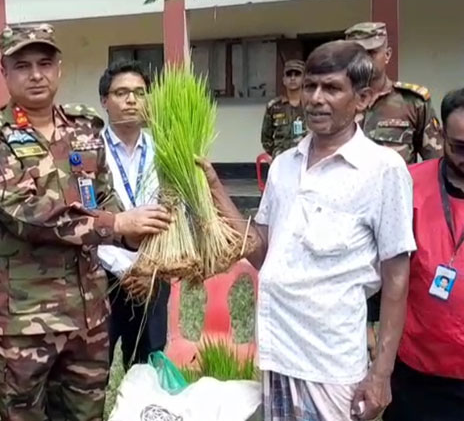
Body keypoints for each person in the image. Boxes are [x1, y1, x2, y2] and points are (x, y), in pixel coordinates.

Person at [198, 41, 415, 420]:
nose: (315, 98)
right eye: (311, 86)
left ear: (362, 99)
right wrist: (216, 188)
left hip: (330, 363)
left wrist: (381, 373)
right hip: (277, 351)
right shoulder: (284, 164)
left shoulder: (383, 170)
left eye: (331, 88)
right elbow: (261, 250)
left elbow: (396, 278)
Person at [0, 24, 171, 421]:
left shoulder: (85, 127)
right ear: (4, 72)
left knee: (86, 414)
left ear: (59, 68)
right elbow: (25, 213)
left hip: (89, 313)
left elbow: (104, 193)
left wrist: (140, 237)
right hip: (25, 319)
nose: (36, 74)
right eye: (22, 65)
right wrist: (118, 224)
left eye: (45, 63)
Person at [346, 22, 443, 353]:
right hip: (349, 222)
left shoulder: (411, 103)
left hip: (400, 223)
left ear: (386, 55)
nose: (365, 61)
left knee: (399, 298)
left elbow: (436, 165)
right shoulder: (340, 102)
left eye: (371, 54)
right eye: (356, 54)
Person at [382, 88, 464, 421]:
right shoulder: (409, 185)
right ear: (441, 135)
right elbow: (384, 269)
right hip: (419, 370)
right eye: (459, 147)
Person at [95, 60, 169, 370]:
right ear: (104, 101)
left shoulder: (167, 152)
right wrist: (123, 268)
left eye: (140, 93)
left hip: (153, 276)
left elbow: (177, 214)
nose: (131, 100)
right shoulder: (87, 152)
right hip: (102, 277)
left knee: (148, 368)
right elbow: (85, 216)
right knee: (95, 368)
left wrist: (149, 269)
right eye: (122, 92)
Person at [260, 59, 307, 158]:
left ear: (304, 79)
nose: (292, 78)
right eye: (289, 75)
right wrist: (275, 154)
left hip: (306, 158)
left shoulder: (311, 104)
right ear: (284, 80)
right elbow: (266, 139)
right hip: (281, 159)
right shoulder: (274, 106)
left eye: (297, 74)